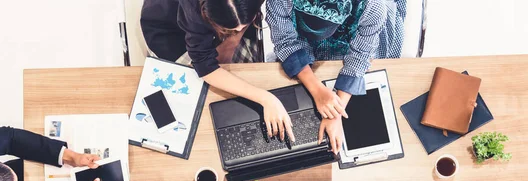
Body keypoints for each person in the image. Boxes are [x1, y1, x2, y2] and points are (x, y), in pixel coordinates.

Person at [141, 0, 295, 141]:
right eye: (231, 29)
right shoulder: (192, 9)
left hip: (222, 17)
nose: (239, 29)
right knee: (194, 96)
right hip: (169, 29)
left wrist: (234, 39)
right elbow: (205, 66)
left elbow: (239, 23)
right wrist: (266, 98)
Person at [266, 0, 406, 153]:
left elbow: (359, 57)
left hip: (353, 36)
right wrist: (317, 90)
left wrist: (335, 113)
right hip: (300, 40)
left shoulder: (372, 7)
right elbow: (285, 41)